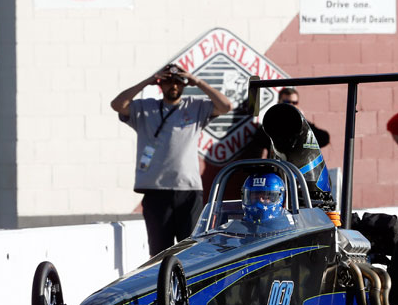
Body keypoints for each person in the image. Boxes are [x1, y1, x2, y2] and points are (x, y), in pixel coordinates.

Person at [111, 63, 232, 256]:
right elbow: (117, 105)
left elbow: (226, 106)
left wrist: (197, 81)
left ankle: (190, 286)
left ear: (184, 85)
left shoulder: (195, 106)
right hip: (156, 191)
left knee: (192, 250)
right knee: (160, 253)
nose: (173, 86)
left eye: (178, 82)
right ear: (161, 84)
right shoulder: (145, 108)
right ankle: (163, 286)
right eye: (168, 82)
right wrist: (149, 80)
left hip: (188, 191)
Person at [244, 87, 330, 159]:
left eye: (294, 103)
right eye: (287, 102)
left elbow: (323, 139)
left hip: (300, 170)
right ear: (279, 102)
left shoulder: (302, 125)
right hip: (278, 170)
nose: (291, 105)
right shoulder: (271, 124)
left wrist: (303, 122)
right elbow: (257, 143)